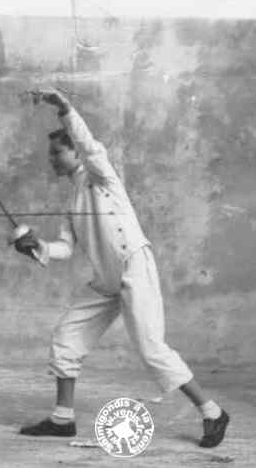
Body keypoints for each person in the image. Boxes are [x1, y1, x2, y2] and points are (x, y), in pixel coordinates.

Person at [11, 89, 229, 448]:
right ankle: (62, 419)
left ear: (74, 152)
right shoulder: (72, 201)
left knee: (152, 349)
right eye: (51, 153)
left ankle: (212, 411)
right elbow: (65, 248)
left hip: (133, 267)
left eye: (57, 152)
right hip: (107, 280)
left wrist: (64, 108)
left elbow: (91, 145)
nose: (51, 159)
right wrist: (37, 247)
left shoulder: (100, 177)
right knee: (67, 338)